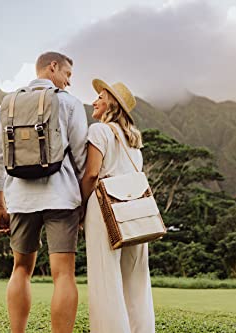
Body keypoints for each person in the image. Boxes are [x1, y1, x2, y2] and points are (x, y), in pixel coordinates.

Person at [0, 51, 88, 333]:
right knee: (63, 274)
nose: (68, 82)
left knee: (21, 270)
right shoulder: (70, 103)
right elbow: (81, 158)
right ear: (52, 67)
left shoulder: (7, 105)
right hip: (62, 198)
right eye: (67, 74)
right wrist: (83, 204)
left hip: (20, 199)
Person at [80, 79, 156, 333]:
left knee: (106, 277)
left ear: (111, 103)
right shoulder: (135, 143)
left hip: (104, 207)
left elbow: (91, 174)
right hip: (134, 210)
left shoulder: (99, 131)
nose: (94, 101)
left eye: (100, 97)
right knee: (136, 279)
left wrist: (80, 210)